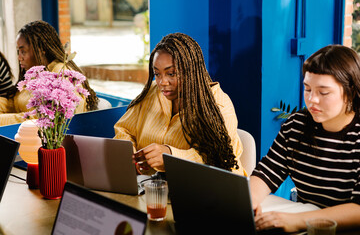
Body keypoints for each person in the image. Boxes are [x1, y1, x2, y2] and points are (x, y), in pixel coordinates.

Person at [250, 45, 360, 233]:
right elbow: (267, 173)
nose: (312, 100)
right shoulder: (296, 125)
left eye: (323, 92)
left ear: (350, 91)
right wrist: (247, 203)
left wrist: (298, 220)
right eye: (307, 89)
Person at [114, 32, 245, 175]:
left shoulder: (219, 105)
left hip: (209, 189)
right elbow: (123, 130)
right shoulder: (151, 93)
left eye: (171, 73)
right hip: (152, 186)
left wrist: (170, 155)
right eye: (157, 74)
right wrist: (131, 157)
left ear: (191, 71)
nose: (162, 82)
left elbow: (218, 159)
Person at [0, 20, 98, 125]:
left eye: (23, 51)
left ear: (41, 49)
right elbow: (13, 104)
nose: (19, 57)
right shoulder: (36, 73)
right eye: (18, 51)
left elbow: (48, 120)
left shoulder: (63, 74)